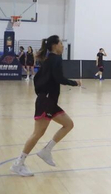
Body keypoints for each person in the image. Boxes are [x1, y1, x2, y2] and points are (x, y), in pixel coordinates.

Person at [10, 35, 81, 177]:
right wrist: (75, 83)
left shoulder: (48, 60)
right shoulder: (55, 59)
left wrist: (42, 93)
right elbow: (59, 78)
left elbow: (37, 79)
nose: (62, 46)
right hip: (47, 102)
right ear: (54, 45)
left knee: (69, 124)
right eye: (60, 43)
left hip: (49, 101)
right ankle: (18, 164)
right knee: (37, 133)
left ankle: (46, 151)